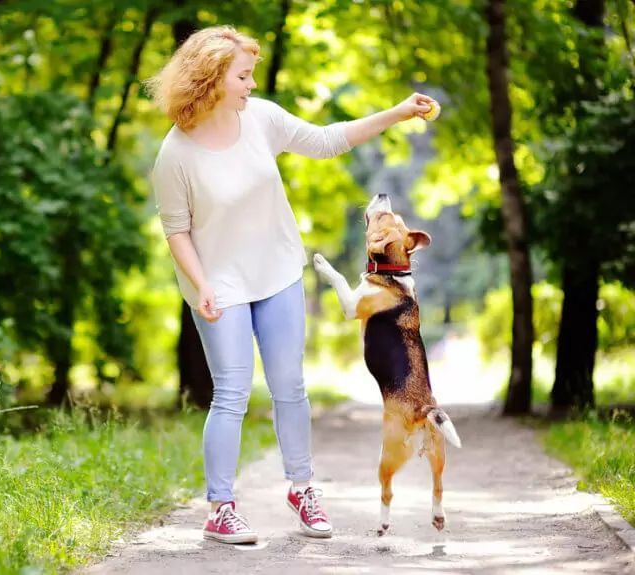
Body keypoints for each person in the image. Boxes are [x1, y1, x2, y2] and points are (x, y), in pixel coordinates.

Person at [145, 24, 436, 544]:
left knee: (291, 388)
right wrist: (201, 283)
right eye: (242, 76)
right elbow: (177, 231)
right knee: (231, 394)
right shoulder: (176, 154)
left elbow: (326, 142)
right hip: (219, 285)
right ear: (211, 78)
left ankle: (303, 491)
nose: (251, 85)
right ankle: (221, 507)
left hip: (277, 271)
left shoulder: (260, 119)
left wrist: (398, 112)